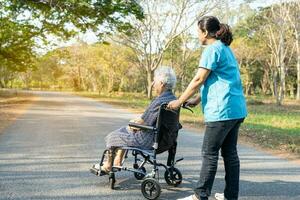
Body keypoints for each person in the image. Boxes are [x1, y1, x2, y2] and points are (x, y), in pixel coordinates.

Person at [167, 16, 247, 200]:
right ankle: (230, 196)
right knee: (230, 154)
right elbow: (220, 81)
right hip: (235, 109)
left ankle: (200, 196)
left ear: (204, 32)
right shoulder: (226, 48)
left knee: (209, 154)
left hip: (221, 112)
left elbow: (199, 79)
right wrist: (197, 99)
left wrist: (179, 101)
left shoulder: (212, 49)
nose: (197, 36)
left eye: (197, 32)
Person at [91, 66, 177, 175]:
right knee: (124, 130)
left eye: (154, 81)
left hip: (149, 140)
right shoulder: (173, 99)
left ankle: (108, 165)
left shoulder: (159, 101)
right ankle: (117, 161)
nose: (152, 84)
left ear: (162, 83)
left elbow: (142, 122)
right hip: (166, 140)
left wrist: (132, 123)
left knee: (114, 135)